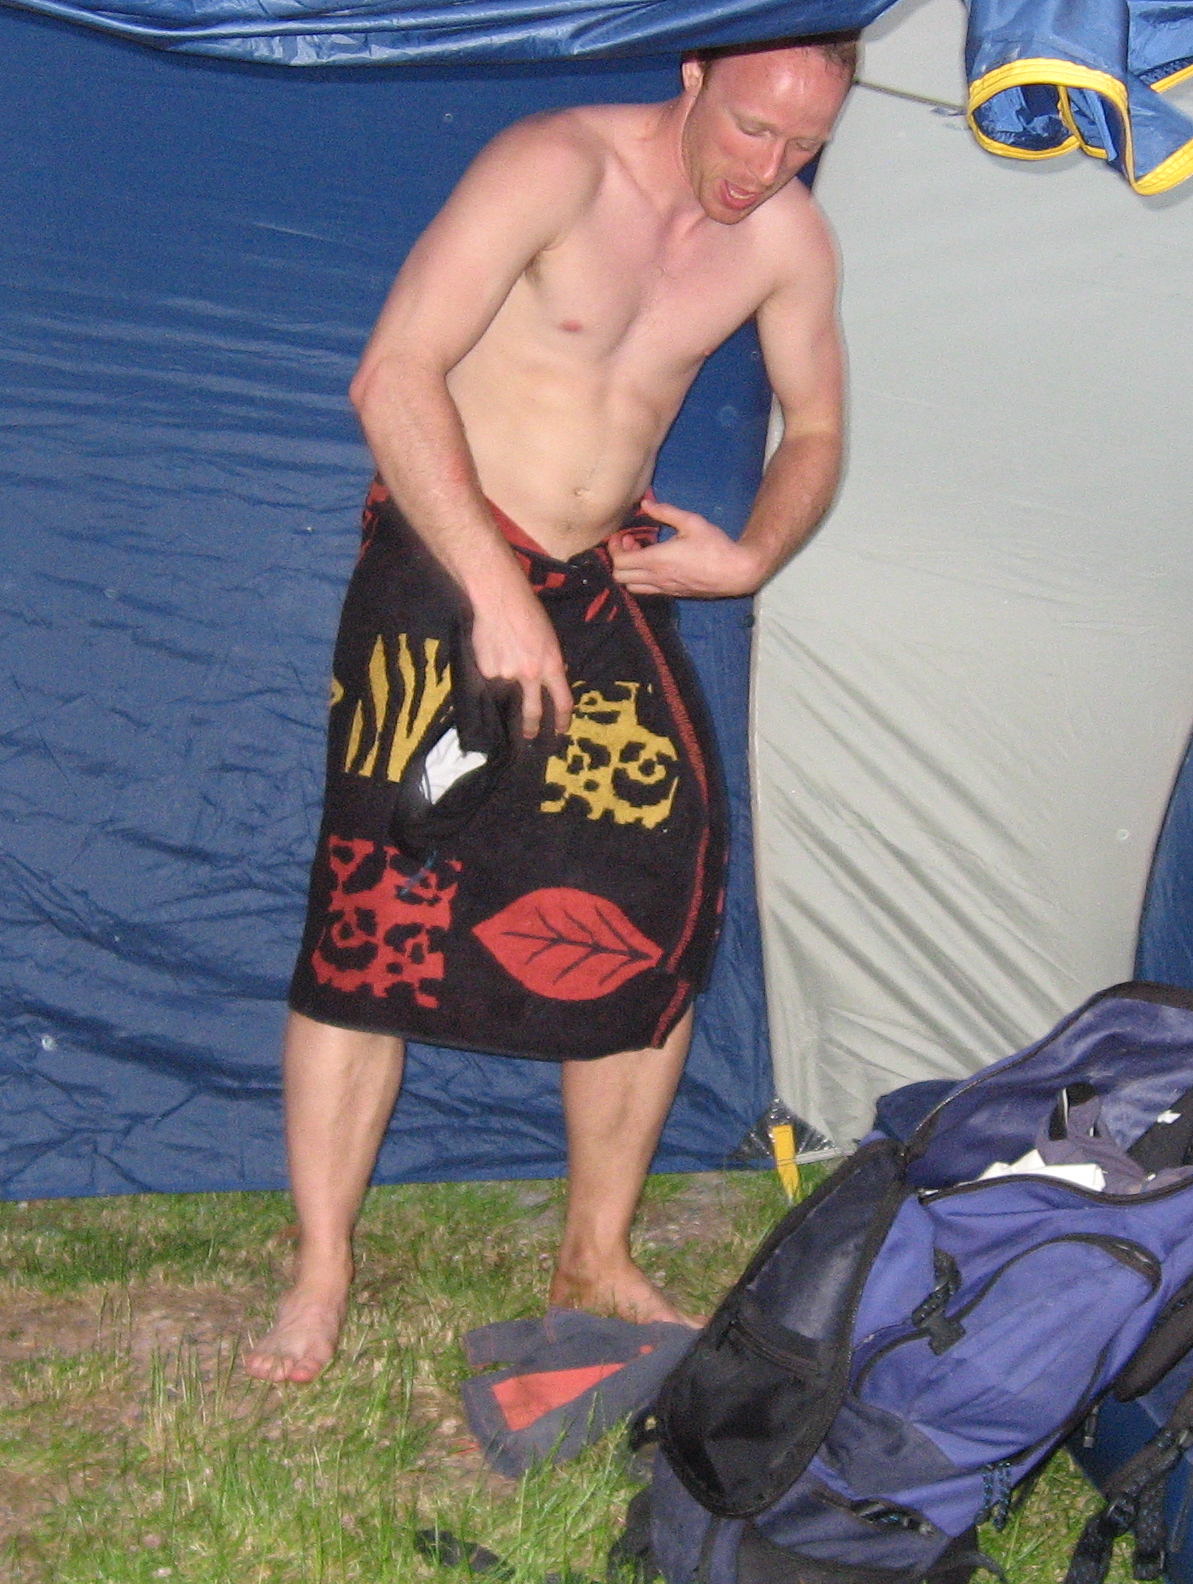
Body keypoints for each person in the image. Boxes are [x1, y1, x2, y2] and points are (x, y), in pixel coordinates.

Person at [244, 35, 855, 1384]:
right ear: (694, 75)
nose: (768, 167)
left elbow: (816, 427)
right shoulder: (552, 166)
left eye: (804, 145)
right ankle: (322, 1267)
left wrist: (753, 553)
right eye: (752, 127)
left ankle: (595, 1252)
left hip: (598, 581)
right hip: (442, 556)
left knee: (659, 901)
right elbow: (392, 377)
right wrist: (491, 592)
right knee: (375, 911)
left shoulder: (787, 240)